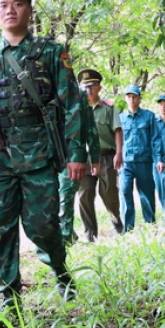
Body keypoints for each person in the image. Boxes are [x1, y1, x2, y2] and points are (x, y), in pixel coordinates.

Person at [0, 0, 84, 327]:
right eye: (3, 5)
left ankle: (59, 268)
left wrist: (75, 153)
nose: (9, 10)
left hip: (39, 153)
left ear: (29, 10)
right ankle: (8, 303)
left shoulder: (49, 52)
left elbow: (72, 105)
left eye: (17, 4)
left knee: (42, 226)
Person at [75, 69, 124, 241]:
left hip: (106, 157)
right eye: (85, 86)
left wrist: (119, 153)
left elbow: (117, 130)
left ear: (99, 88)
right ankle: (90, 234)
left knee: (109, 193)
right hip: (84, 159)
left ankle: (116, 218)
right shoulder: (76, 109)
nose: (88, 89)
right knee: (84, 195)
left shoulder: (108, 108)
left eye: (92, 86)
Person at [59, 85, 101, 246]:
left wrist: (95, 157)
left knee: (66, 195)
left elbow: (90, 127)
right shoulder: (40, 89)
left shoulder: (79, 94)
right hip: (44, 155)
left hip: (72, 155)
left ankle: (66, 237)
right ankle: (65, 234)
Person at [119, 85, 162, 231]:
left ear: (139, 98)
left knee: (147, 193)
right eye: (129, 96)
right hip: (126, 163)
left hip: (144, 161)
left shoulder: (149, 116)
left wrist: (158, 159)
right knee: (125, 191)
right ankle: (127, 229)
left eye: (134, 96)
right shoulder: (121, 118)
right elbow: (117, 140)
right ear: (125, 98)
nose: (131, 99)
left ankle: (150, 226)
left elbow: (156, 139)